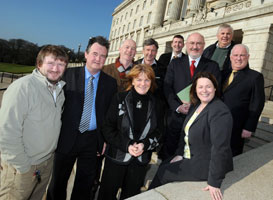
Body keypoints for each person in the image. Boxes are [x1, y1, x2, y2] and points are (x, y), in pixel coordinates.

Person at [47, 36, 117, 200]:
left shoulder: (110, 83)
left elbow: (109, 115)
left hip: (93, 140)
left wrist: (106, 138)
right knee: (58, 182)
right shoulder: (67, 75)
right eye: (95, 53)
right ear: (86, 54)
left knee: (85, 185)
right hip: (67, 137)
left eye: (102, 56)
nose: (98, 59)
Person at [149, 72, 233, 200]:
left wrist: (214, 182)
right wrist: (179, 154)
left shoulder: (220, 111)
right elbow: (185, 134)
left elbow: (220, 148)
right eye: (200, 87)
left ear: (215, 88)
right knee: (165, 163)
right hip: (190, 155)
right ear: (195, 89)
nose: (204, 90)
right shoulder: (196, 106)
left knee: (164, 172)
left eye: (208, 86)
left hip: (206, 163)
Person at [0, 45, 68, 200]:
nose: (55, 69)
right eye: (51, 63)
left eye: (61, 64)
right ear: (39, 64)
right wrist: (23, 166)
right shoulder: (23, 87)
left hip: (45, 164)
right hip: (22, 167)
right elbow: (7, 131)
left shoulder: (59, 90)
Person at [98, 64, 164, 200]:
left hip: (140, 161)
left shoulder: (157, 103)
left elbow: (159, 132)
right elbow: (107, 127)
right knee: (106, 195)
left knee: (131, 196)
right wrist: (127, 145)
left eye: (147, 80)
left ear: (151, 82)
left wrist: (144, 145)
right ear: (132, 81)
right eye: (139, 79)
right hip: (116, 157)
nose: (143, 83)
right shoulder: (119, 98)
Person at [162, 32, 221, 160]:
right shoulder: (175, 63)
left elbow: (216, 92)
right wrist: (177, 106)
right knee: (169, 153)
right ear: (186, 45)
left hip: (199, 119)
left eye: (198, 43)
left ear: (204, 45)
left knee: (191, 154)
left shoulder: (212, 66)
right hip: (176, 117)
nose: (195, 46)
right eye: (192, 43)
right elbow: (167, 87)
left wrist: (197, 108)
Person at [222, 44, 265, 156]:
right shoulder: (223, 74)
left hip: (237, 126)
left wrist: (249, 127)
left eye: (242, 55)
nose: (238, 58)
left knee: (232, 155)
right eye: (235, 55)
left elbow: (257, 103)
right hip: (218, 122)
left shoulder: (255, 77)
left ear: (248, 57)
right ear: (231, 57)